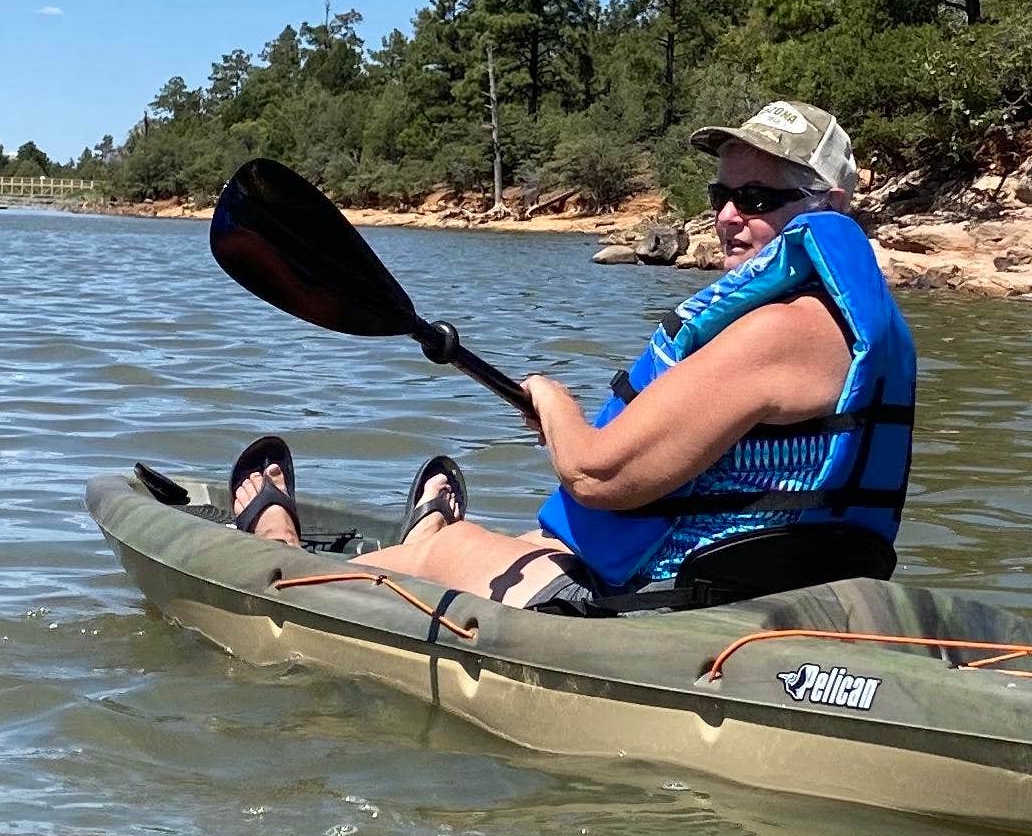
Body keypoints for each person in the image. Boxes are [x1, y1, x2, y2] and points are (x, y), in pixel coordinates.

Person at [225, 99, 917, 609]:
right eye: (722, 194)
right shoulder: (849, 323)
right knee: (530, 541)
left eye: (760, 197)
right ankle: (435, 525)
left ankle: (282, 553)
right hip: (763, 585)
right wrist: (570, 433)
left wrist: (554, 404)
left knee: (435, 556)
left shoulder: (780, 330)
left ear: (831, 203)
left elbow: (595, 476)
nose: (730, 215)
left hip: (683, 603)